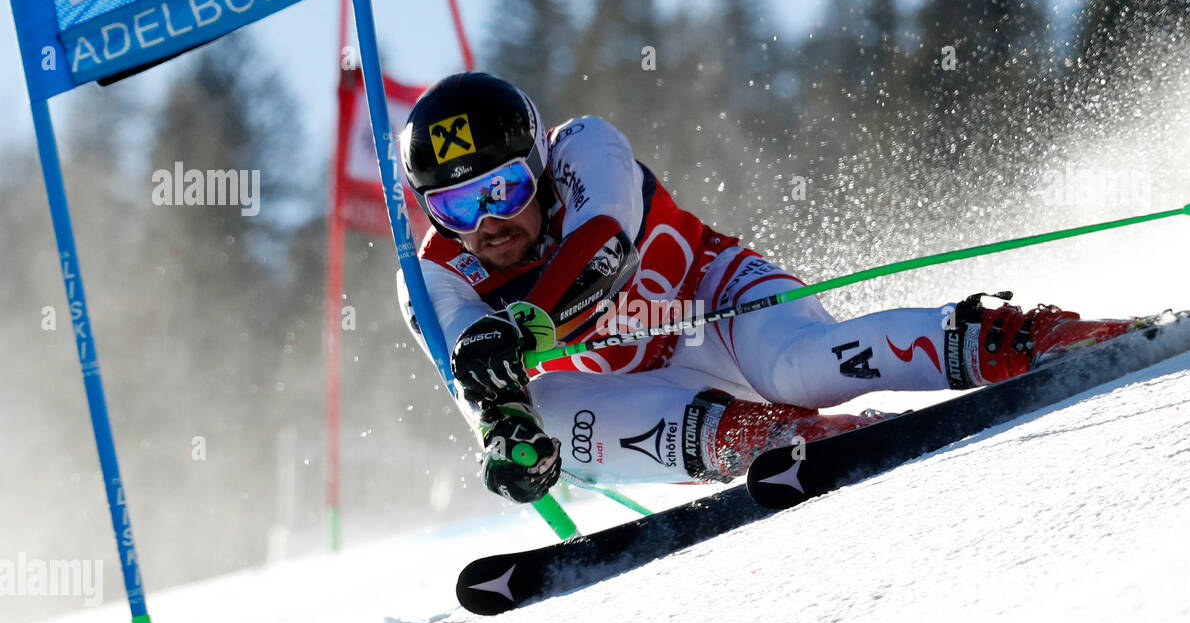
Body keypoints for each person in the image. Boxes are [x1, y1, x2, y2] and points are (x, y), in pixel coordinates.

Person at [396, 72, 1135, 503]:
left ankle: (1031, 338)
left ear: (539, 159)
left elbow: (604, 247)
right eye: (456, 207)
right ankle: (777, 437)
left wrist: (521, 327)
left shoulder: (585, 147)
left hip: (719, 305)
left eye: (505, 189)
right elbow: (472, 373)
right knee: (548, 411)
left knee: (802, 366)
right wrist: (507, 432)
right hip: (642, 391)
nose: (486, 223)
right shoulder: (432, 272)